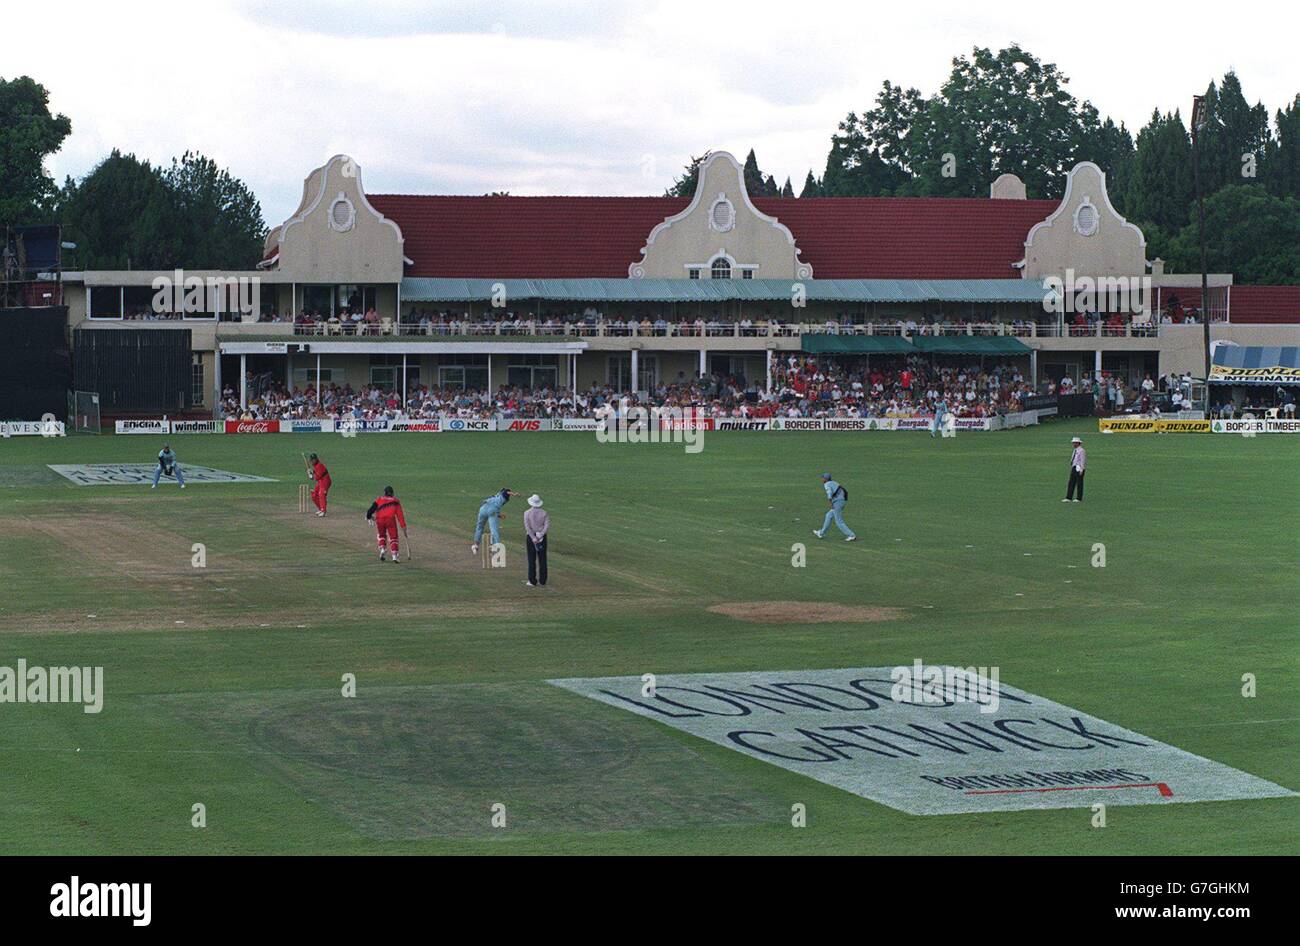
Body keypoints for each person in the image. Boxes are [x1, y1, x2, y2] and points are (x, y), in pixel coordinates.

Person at [366, 485, 407, 563]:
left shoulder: (379, 499)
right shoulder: (396, 501)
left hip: (380, 519)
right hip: (390, 520)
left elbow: (371, 509)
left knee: (381, 535)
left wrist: (369, 516)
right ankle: (394, 556)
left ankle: (382, 550)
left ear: (385, 493)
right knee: (393, 537)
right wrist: (403, 526)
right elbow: (400, 515)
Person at [472, 488, 519, 554]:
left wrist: (499, 515)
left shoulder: (494, 496)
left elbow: (485, 502)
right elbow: (507, 492)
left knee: (480, 527)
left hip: (483, 509)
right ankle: (495, 547)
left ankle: (476, 545)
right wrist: (514, 494)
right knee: (494, 530)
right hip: (492, 511)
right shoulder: (503, 495)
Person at [813, 473, 857, 542]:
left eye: (822, 478)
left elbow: (829, 493)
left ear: (826, 479)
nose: (821, 479)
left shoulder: (827, 484)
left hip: (838, 502)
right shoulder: (834, 482)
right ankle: (821, 533)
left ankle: (851, 535)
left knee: (838, 521)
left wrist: (830, 503)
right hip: (842, 501)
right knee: (828, 515)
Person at [523, 494, 549, 587]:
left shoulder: (527, 513)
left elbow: (527, 527)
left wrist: (533, 537)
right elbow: (546, 526)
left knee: (531, 559)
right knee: (542, 559)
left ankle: (532, 580)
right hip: (542, 537)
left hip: (531, 537)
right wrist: (540, 535)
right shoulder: (544, 513)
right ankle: (543, 580)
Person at [307, 452, 331, 517]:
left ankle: (323, 511)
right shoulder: (315, 465)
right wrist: (311, 472)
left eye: (313, 460)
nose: (311, 462)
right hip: (321, 481)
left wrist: (311, 476)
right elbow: (316, 472)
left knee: (321, 494)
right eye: (311, 460)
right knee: (314, 495)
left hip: (325, 481)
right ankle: (321, 508)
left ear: (316, 459)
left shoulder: (319, 465)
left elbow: (317, 477)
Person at [1064, 437, 1086, 503]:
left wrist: (1081, 469)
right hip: (1074, 467)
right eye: (1073, 443)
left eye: (1075, 443)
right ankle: (1068, 497)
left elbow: (1082, 460)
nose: (1073, 444)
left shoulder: (1082, 451)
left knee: (1079, 483)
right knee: (1071, 482)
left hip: (1079, 467)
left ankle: (1079, 498)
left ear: (1078, 443)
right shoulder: (1075, 450)